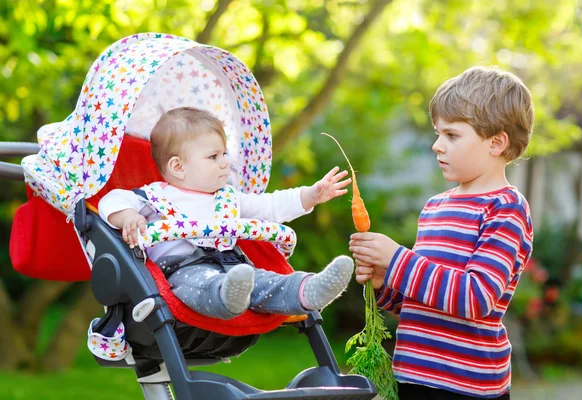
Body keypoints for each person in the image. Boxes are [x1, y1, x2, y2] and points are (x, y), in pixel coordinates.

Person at [349, 66, 534, 400]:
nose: (437, 145)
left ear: (496, 142)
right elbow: (421, 302)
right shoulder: (435, 207)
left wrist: (397, 259)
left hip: (466, 385)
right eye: (438, 134)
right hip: (414, 377)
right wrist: (383, 282)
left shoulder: (505, 208)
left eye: (451, 135)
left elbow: (474, 298)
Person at [99, 107, 354, 320]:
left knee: (264, 281)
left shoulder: (229, 198)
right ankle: (227, 296)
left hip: (234, 267)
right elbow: (111, 199)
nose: (225, 162)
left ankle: (308, 290)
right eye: (213, 156)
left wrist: (311, 195)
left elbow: (271, 206)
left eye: (224, 153)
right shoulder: (154, 197)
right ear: (178, 166)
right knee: (203, 284)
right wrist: (128, 216)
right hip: (183, 272)